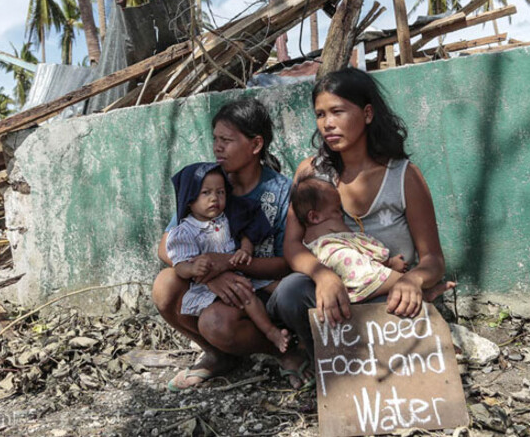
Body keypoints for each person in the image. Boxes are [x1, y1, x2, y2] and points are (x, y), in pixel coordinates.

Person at [268, 67, 448, 357]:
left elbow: (434, 259)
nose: (327, 124)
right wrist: (323, 276)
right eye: (320, 114)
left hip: (388, 293)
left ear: (367, 114)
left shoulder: (403, 176)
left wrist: (413, 281)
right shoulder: (311, 173)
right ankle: (330, 364)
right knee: (290, 292)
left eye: (337, 111)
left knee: (401, 303)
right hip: (331, 294)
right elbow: (291, 245)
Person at [152, 98, 305, 390]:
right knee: (164, 285)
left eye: (227, 140)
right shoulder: (208, 184)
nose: (217, 147)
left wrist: (230, 264)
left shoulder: (282, 191)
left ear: (256, 144)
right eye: (215, 139)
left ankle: (283, 351)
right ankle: (218, 354)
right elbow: (166, 247)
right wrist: (210, 274)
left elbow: (288, 262)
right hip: (211, 283)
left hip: (261, 291)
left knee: (216, 323)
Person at [165, 162, 289, 364]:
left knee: (275, 289)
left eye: (220, 192)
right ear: (189, 199)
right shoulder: (184, 231)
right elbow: (179, 263)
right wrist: (193, 269)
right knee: (246, 298)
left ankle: (286, 331)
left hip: (239, 273)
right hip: (207, 286)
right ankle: (269, 335)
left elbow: (247, 230)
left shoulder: (226, 216)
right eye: (206, 193)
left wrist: (245, 249)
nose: (215, 198)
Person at [291, 174, 452, 303]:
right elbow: (360, 243)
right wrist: (385, 257)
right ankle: (422, 290)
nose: (341, 215)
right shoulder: (331, 226)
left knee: (362, 268)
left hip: (340, 276)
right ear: (314, 216)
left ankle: (418, 290)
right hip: (342, 269)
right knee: (359, 265)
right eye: (336, 211)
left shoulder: (309, 235)